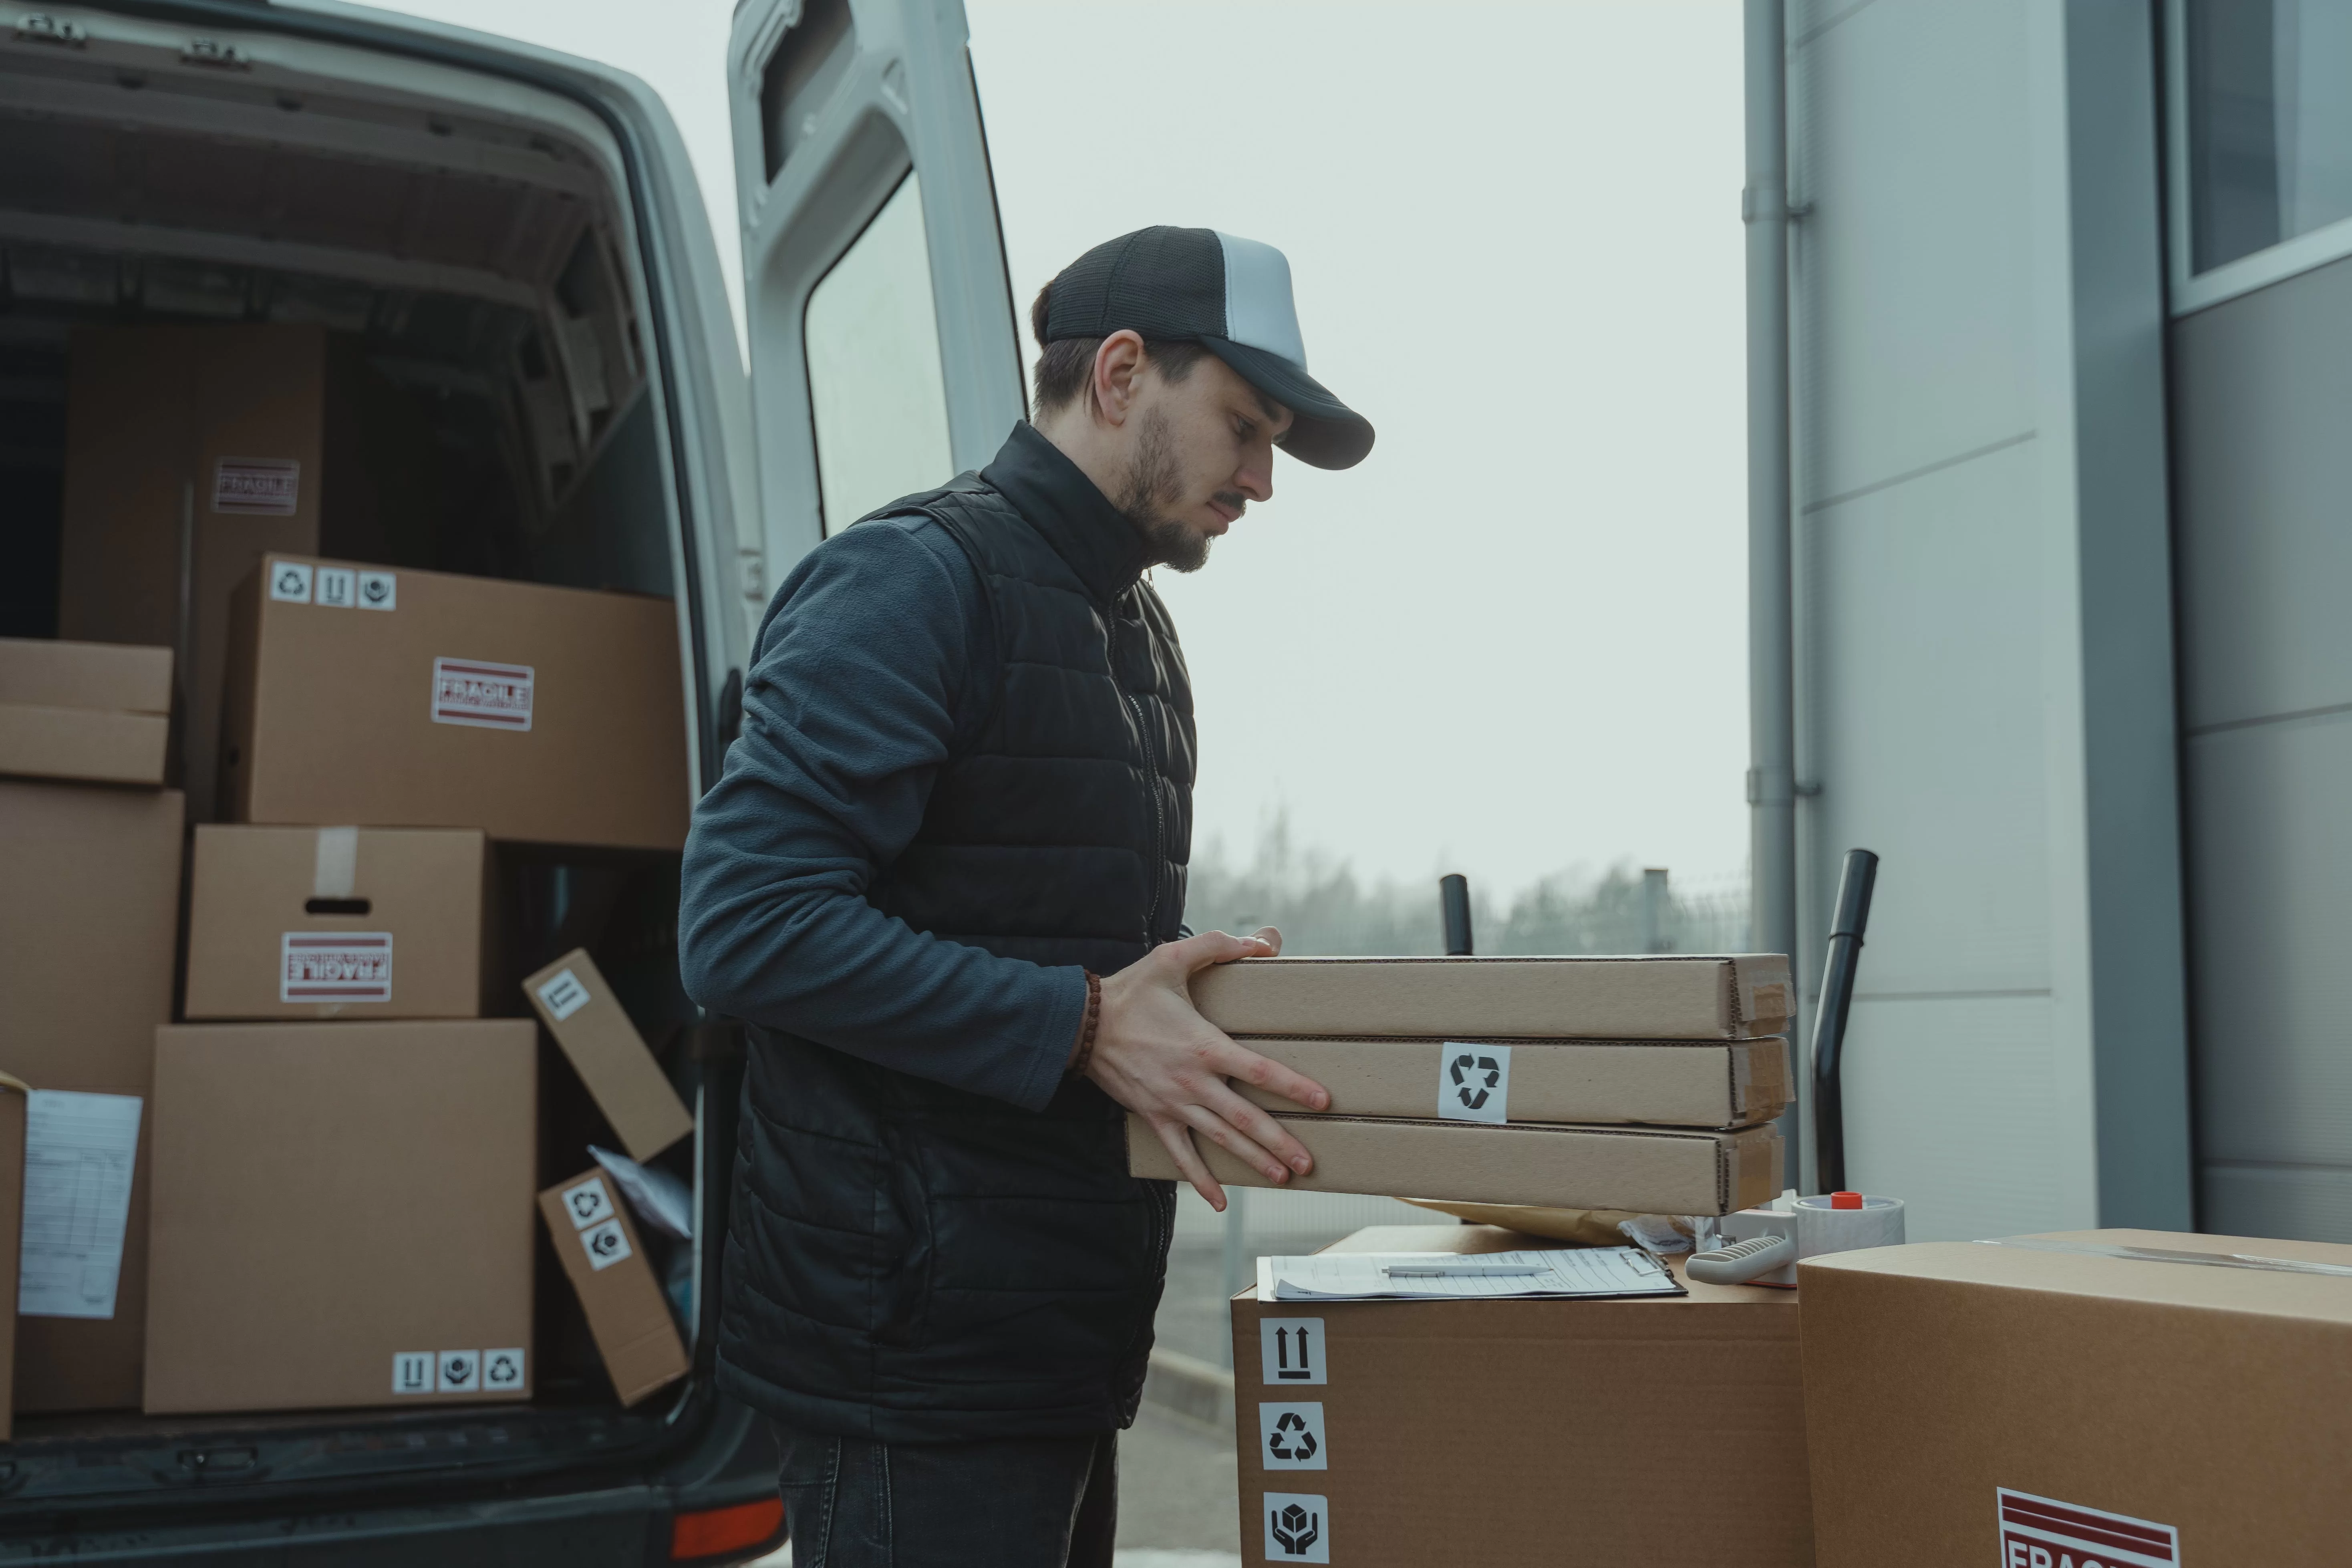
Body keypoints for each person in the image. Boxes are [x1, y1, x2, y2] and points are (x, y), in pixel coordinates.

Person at [678, 225, 1374, 1566]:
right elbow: (743, 924)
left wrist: (1187, 998)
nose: (1264, 480)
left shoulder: (1136, 631)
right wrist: (1085, 1023)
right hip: (911, 1371)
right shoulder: (914, 580)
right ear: (1120, 375)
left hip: (1051, 1349)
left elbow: (1039, 933)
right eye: (1243, 426)